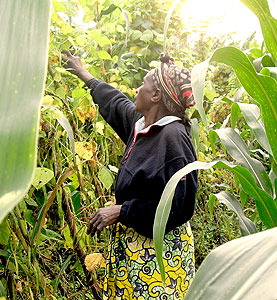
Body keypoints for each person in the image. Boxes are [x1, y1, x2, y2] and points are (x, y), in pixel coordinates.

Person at [62, 50, 198, 300]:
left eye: (142, 85)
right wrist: (82, 73)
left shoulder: (173, 139)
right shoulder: (143, 124)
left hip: (157, 253)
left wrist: (122, 211)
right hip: (133, 246)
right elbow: (115, 102)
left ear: (156, 95)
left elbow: (180, 206)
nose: (136, 90)